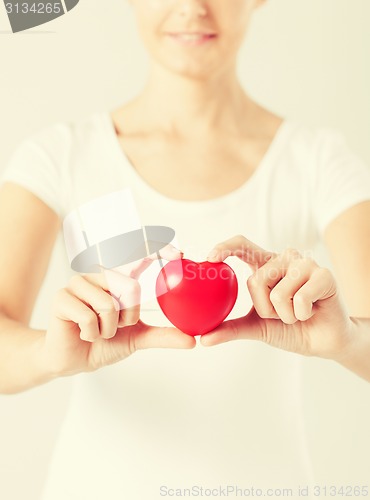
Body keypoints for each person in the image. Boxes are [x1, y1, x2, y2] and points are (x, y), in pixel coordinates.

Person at [0, 0, 369, 498]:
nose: (192, 8)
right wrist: (47, 353)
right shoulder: (59, 157)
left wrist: (348, 339)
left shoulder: (318, 162)